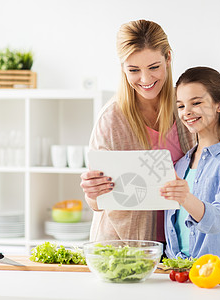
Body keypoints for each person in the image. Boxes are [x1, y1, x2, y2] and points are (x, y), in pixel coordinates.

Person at [80, 20, 194, 243]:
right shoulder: (111, 119)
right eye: (134, 70)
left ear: (168, 58)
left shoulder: (187, 108)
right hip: (124, 247)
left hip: (183, 244)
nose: (145, 79)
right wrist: (92, 193)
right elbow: (97, 204)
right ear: (122, 67)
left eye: (154, 67)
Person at [160, 66, 220, 266]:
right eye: (181, 106)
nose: (187, 112)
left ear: (219, 105)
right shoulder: (180, 164)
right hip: (179, 270)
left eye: (196, 103)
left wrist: (185, 197)